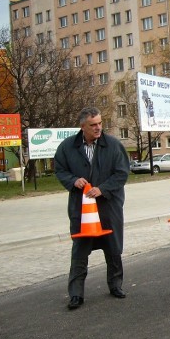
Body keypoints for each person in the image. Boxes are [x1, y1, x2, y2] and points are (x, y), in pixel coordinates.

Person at [54, 107, 130, 310]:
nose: (98, 128)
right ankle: (76, 294)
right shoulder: (67, 147)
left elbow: (122, 173)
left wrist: (102, 189)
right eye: (93, 125)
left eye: (100, 123)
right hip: (81, 210)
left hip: (108, 206)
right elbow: (60, 169)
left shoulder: (113, 145)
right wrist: (72, 180)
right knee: (79, 250)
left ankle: (115, 286)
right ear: (82, 127)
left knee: (113, 248)